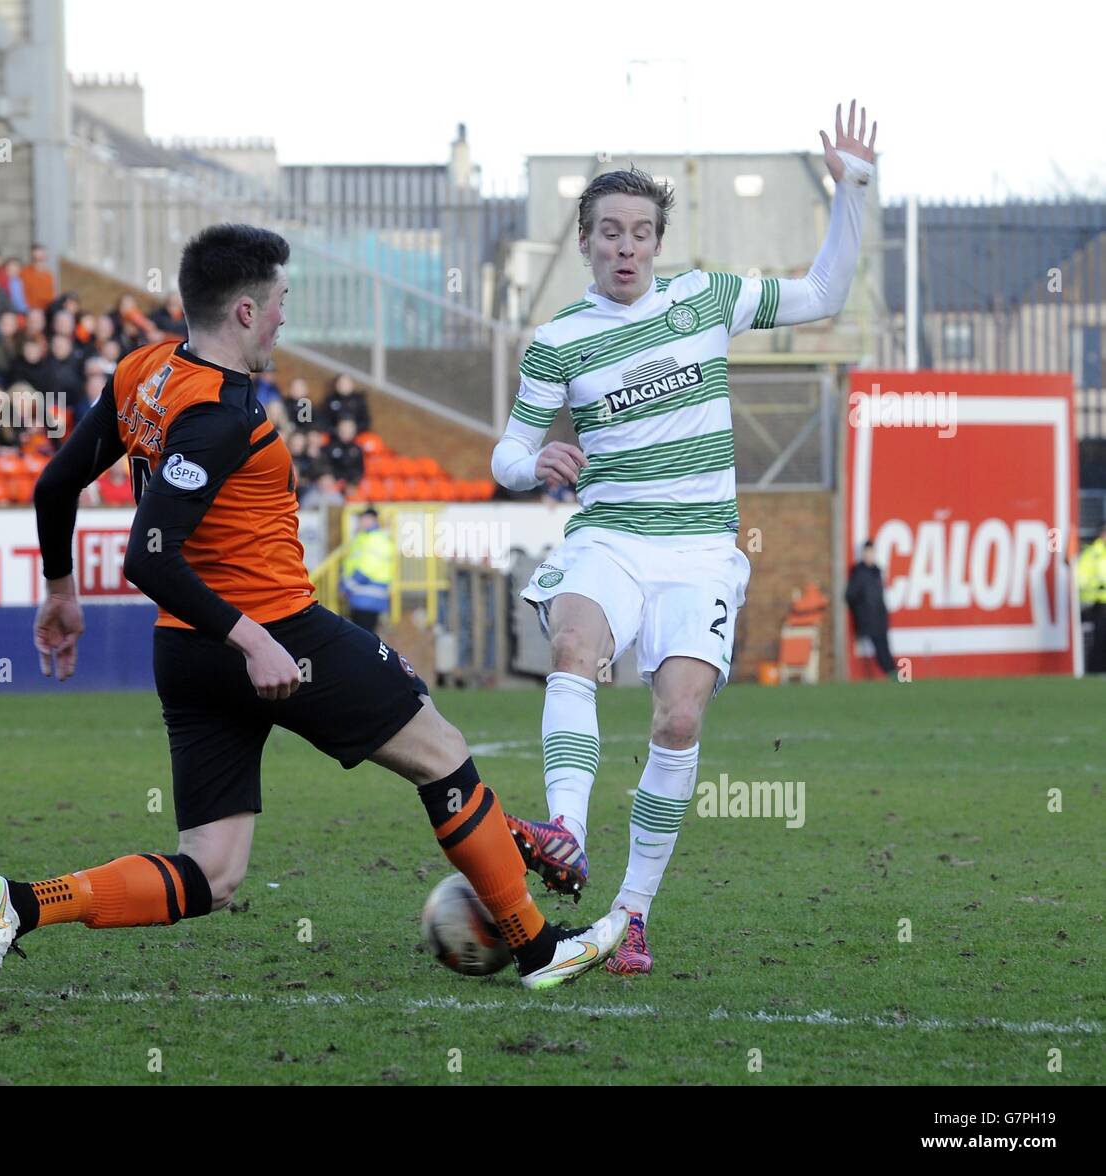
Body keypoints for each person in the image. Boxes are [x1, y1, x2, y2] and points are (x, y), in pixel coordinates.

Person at [0, 223, 626, 998]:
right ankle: (539, 948)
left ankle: (19, 907)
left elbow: (53, 484)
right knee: (439, 752)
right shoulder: (221, 414)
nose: (283, 320)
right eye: (279, 304)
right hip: (275, 634)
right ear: (243, 310)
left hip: (187, 650)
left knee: (213, 870)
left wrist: (62, 591)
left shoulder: (145, 370)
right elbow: (148, 554)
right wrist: (255, 642)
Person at [489, 103, 878, 975]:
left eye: (641, 232)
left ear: (657, 242)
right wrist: (534, 461)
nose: (626, 246)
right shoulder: (557, 341)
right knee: (575, 642)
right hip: (612, 538)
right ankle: (564, 832)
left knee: (679, 715)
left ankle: (630, 914)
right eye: (609, 232)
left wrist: (852, 188)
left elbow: (821, 296)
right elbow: (508, 449)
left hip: (702, 550)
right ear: (586, 242)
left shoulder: (706, 300)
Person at [845, 539, 896, 675]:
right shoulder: (859, 573)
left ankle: (893, 672)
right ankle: (891, 672)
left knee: (884, 646)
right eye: (867, 552)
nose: (869, 555)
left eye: (871, 552)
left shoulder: (877, 571)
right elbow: (850, 595)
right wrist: (861, 611)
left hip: (880, 617)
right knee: (879, 647)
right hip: (868, 618)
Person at [340, 506, 393, 633]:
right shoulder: (362, 537)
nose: (362, 522)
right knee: (360, 636)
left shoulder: (377, 538)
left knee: (365, 636)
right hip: (359, 595)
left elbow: (367, 568)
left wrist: (347, 585)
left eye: (364, 519)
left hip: (369, 595)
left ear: (373, 519)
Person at [1077, 521, 1106, 673]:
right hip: (1097, 603)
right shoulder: (1092, 554)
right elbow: (1081, 579)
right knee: (1101, 637)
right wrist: (1096, 586)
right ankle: (1097, 669)